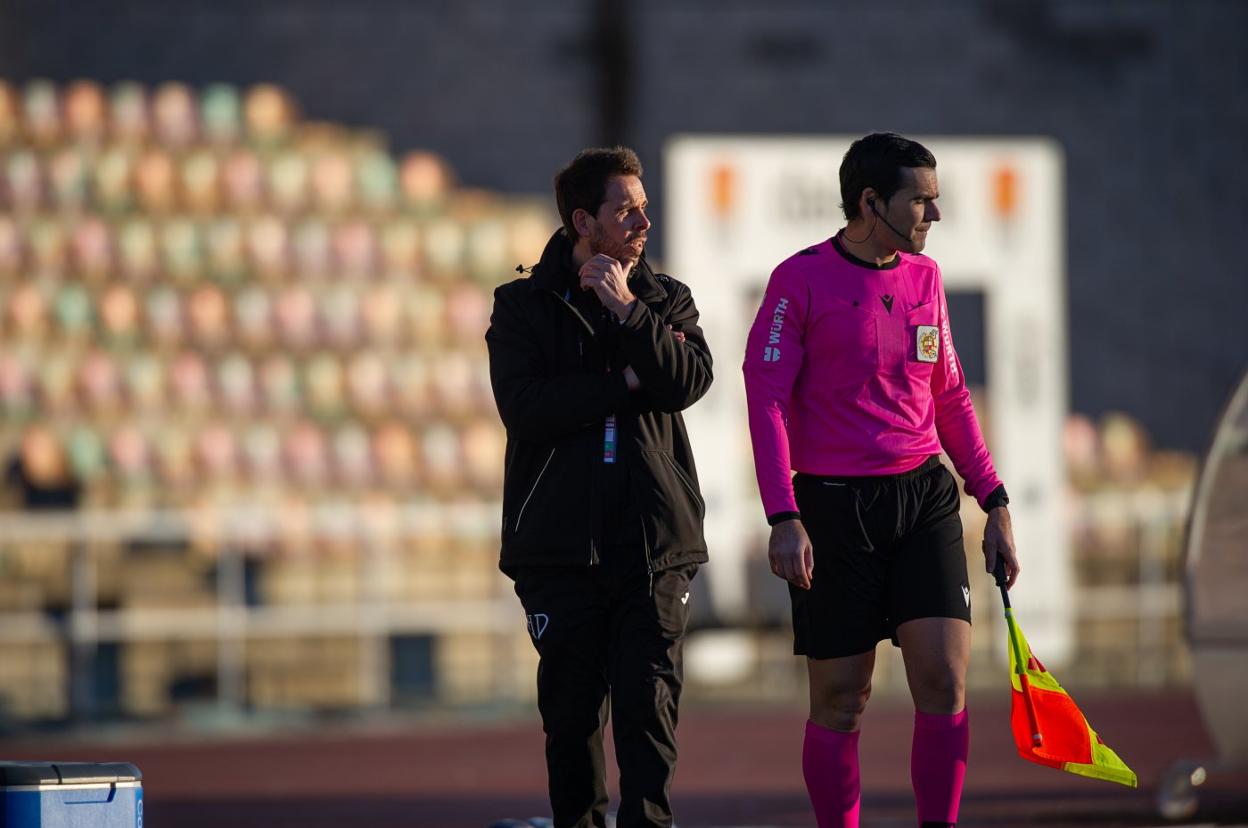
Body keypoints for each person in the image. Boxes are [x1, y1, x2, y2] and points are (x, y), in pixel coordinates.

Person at [742, 132, 1021, 828]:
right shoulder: (798, 280)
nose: (933, 215)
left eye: (935, 200)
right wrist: (783, 514)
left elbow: (950, 396)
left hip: (922, 498)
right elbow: (765, 394)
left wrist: (995, 500)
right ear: (870, 202)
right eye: (919, 201)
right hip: (833, 509)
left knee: (945, 679)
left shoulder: (926, 280)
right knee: (842, 698)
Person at [486, 146, 713, 828]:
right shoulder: (522, 306)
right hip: (560, 550)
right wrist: (622, 386)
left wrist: (627, 311)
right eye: (626, 209)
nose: (645, 219)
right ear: (584, 221)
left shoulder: (666, 299)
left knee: (649, 715)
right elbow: (527, 409)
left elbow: (687, 381)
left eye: (643, 206)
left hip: (655, 545)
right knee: (572, 720)